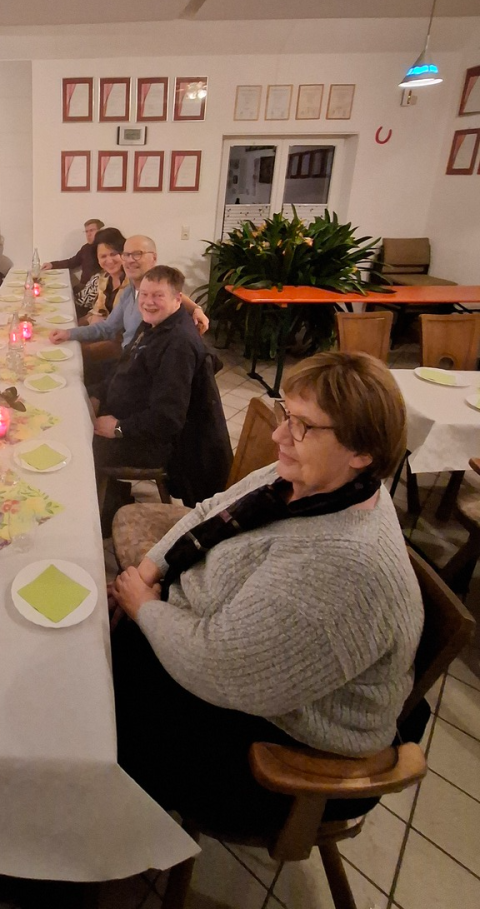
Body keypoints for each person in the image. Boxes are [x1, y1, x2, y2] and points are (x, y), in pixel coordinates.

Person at [109, 351, 424, 837]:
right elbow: (208, 511)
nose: (279, 436)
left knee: (108, 720)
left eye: (302, 426)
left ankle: (101, 840)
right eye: (286, 414)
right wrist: (149, 569)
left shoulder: (341, 566)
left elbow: (218, 667)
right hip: (229, 667)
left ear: (362, 452)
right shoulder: (305, 480)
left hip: (284, 753)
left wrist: (145, 608)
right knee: (99, 660)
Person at [92, 266, 231, 523]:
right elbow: (122, 367)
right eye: (144, 294)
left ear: (178, 299)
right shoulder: (153, 323)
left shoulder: (178, 344)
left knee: (80, 447)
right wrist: (98, 395)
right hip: (130, 420)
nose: (148, 302)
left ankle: (103, 512)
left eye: (158, 296)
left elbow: (168, 418)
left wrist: (119, 428)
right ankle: (115, 494)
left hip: (154, 443)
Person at [50, 234, 208, 350]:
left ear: (154, 258)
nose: (131, 260)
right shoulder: (129, 290)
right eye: (126, 255)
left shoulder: (159, 302)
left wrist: (196, 309)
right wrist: (68, 333)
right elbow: (108, 328)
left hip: (137, 368)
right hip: (127, 363)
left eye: (137, 254)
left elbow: (174, 295)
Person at [75, 227, 127, 323]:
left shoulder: (133, 283)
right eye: (103, 256)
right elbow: (94, 311)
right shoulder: (103, 279)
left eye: (113, 254)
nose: (109, 261)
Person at [42, 218, 104, 286]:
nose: (88, 234)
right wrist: (52, 264)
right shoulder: (86, 248)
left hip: (98, 287)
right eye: (86, 231)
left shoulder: (106, 250)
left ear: (101, 231)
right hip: (83, 286)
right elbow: (72, 262)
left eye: (91, 230)